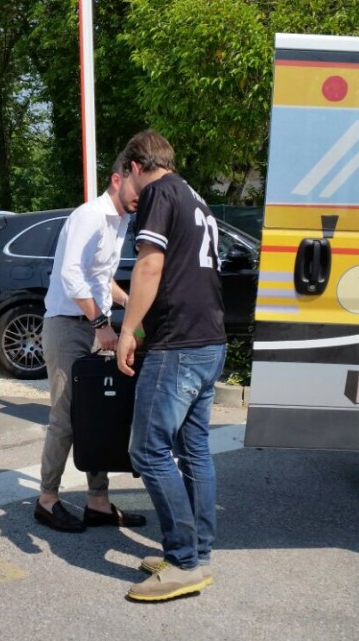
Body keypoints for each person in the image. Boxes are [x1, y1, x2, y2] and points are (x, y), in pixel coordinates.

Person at [115, 130, 227, 601]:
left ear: (137, 166)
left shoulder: (159, 193)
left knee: (149, 451)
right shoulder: (196, 198)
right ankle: (197, 552)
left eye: (129, 177)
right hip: (210, 339)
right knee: (194, 448)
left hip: (177, 344)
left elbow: (150, 266)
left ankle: (182, 563)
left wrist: (128, 329)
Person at [34, 155, 147, 533]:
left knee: (97, 415)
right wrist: (101, 324)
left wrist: (129, 301)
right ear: (118, 178)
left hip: (92, 324)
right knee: (65, 418)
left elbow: (100, 277)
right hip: (68, 326)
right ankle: (47, 500)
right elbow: (70, 275)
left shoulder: (122, 220)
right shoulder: (90, 215)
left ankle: (98, 502)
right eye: (138, 187)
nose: (142, 196)